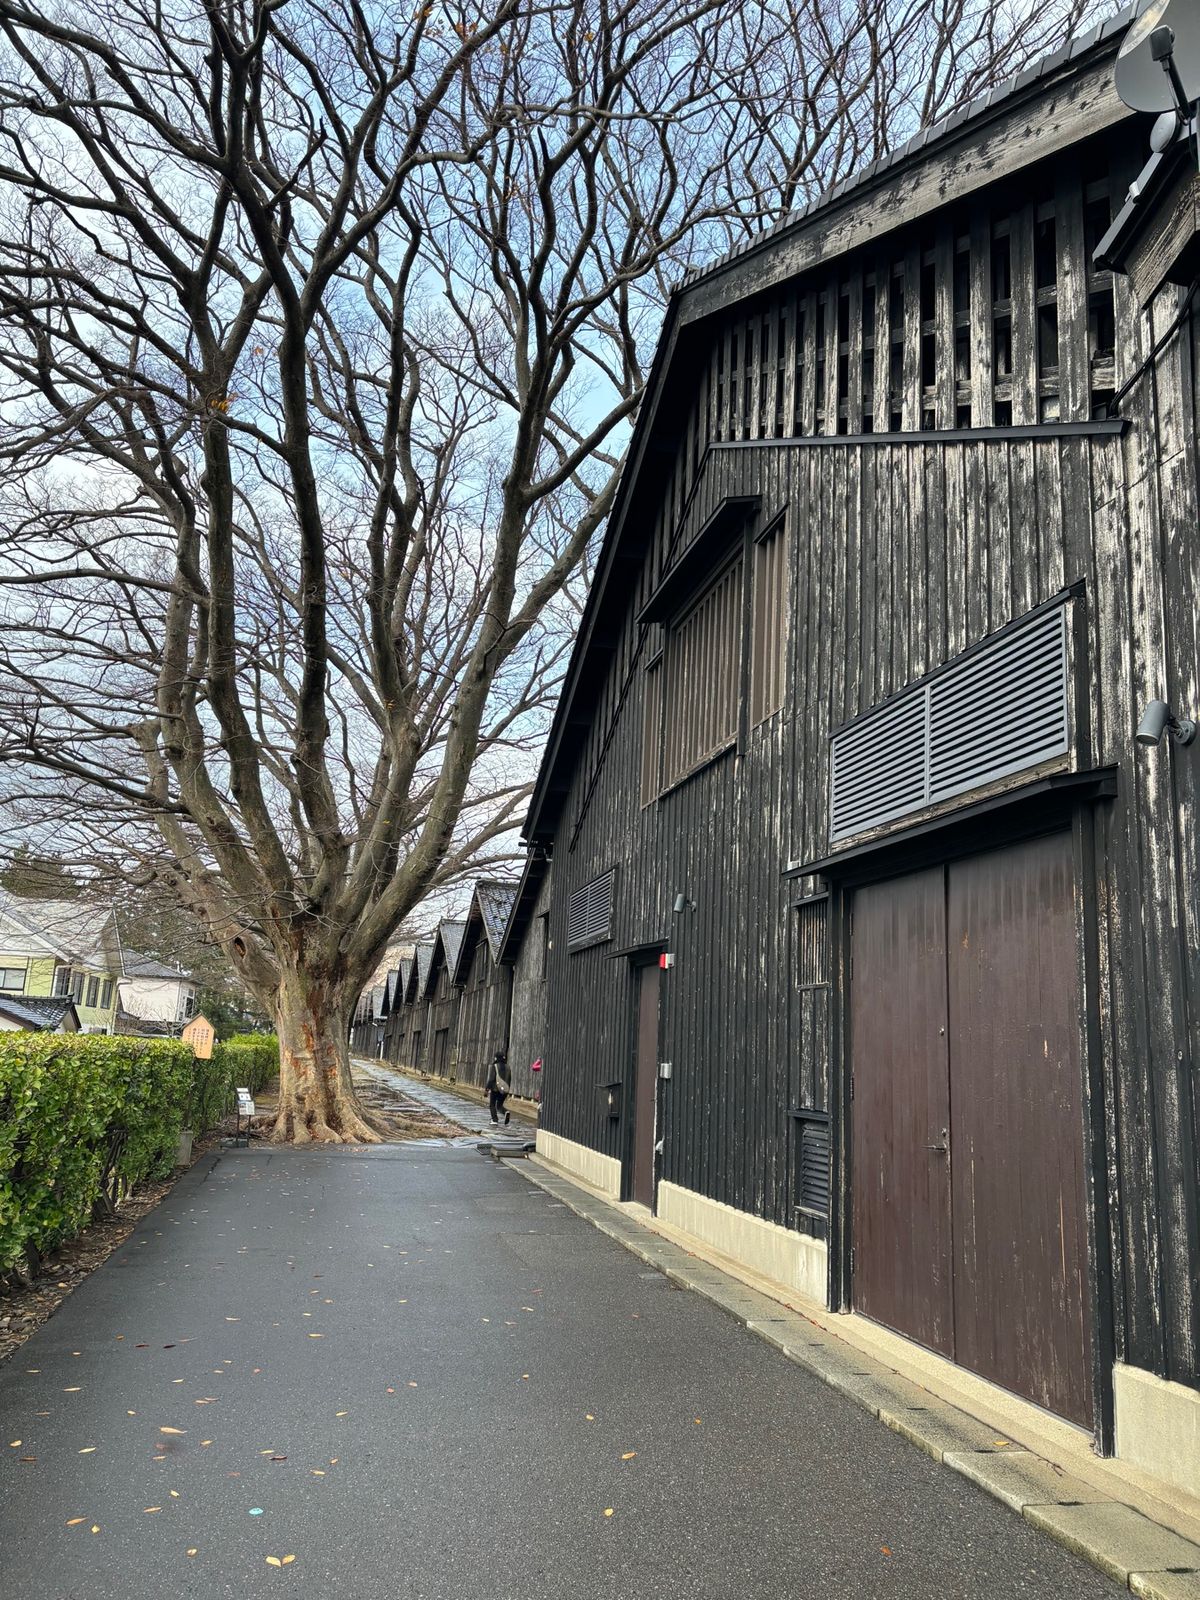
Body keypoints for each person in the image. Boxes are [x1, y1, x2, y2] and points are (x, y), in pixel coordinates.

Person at [486, 1051, 511, 1125]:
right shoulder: (508, 1067)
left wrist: (487, 1089)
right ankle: (506, 1112)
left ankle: (494, 1120)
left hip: (495, 1089)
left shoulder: (495, 1066)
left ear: (496, 1058)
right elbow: (509, 1079)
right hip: (505, 1090)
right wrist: (507, 1089)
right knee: (499, 1105)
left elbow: (491, 1079)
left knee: (492, 1105)